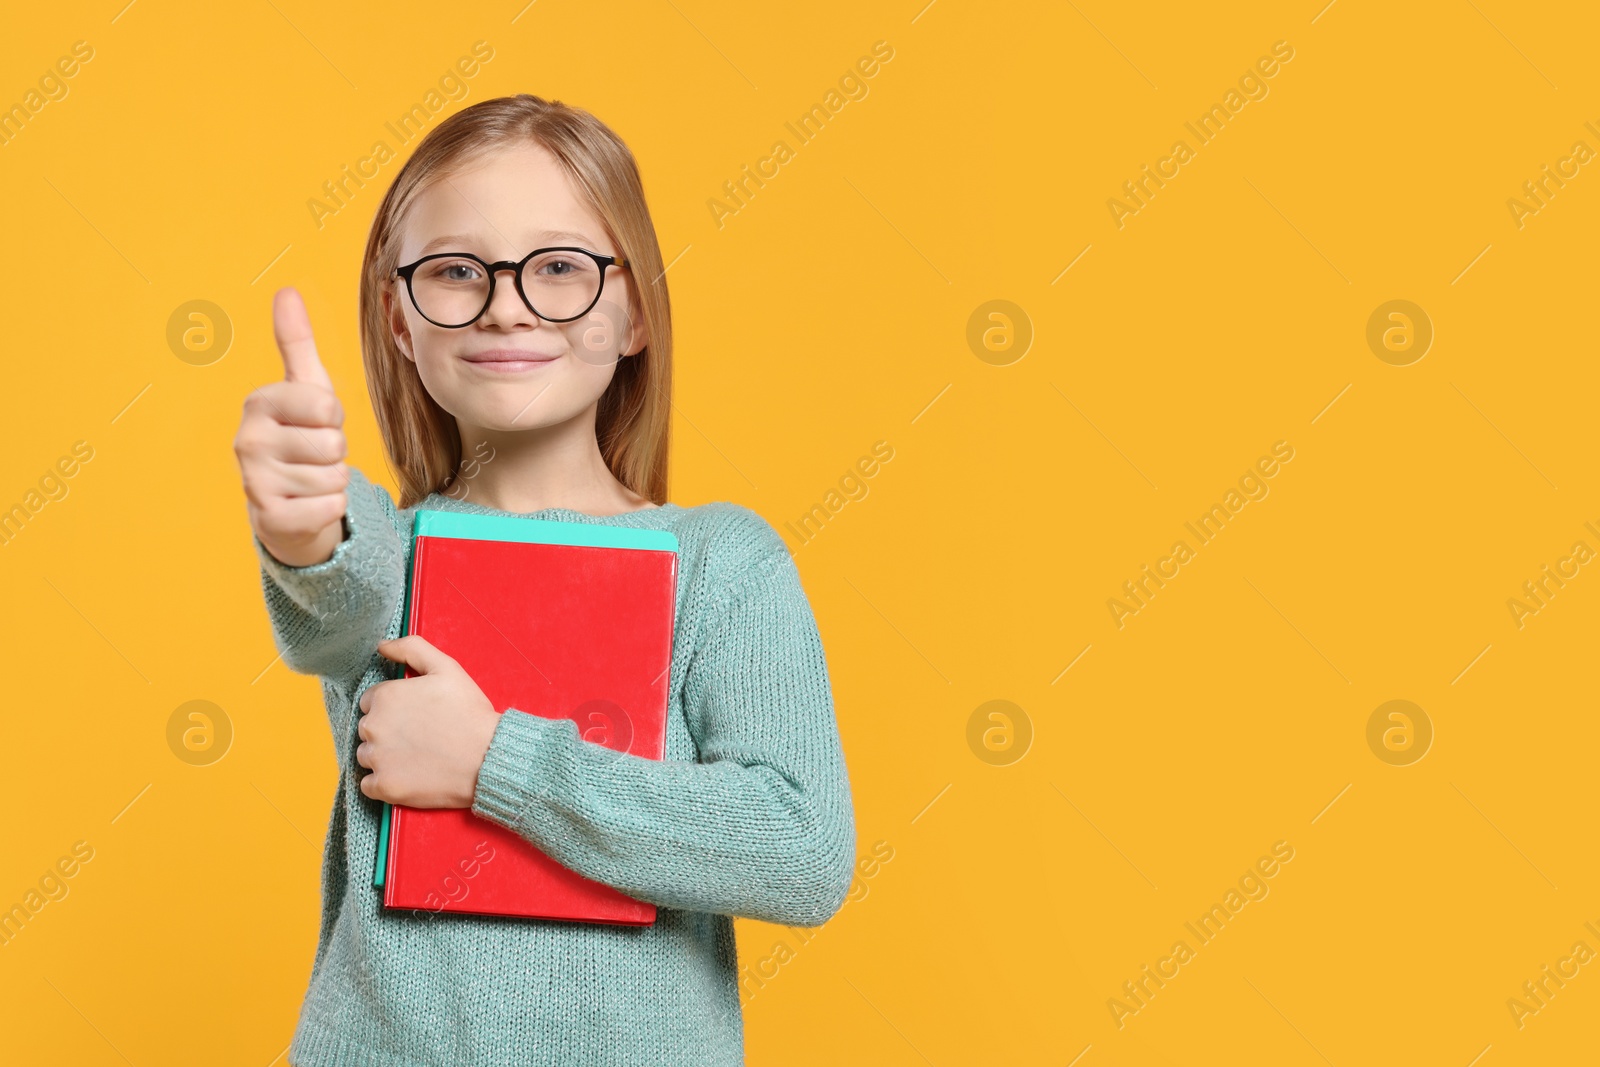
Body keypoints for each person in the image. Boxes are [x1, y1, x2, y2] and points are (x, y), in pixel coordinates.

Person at [233, 92, 856, 1067]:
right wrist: (300, 523)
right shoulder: (383, 546)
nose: (506, 301)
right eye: (455, 271)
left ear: (636, 308)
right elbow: (330, 601)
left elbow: (800, 849)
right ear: (400, 320)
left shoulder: (722, 562)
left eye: (559, 266)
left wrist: (496, 763)